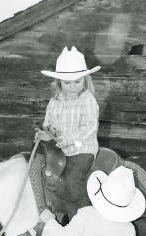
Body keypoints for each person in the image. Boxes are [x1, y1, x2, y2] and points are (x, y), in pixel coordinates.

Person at [35, 46, 101, 207]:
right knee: (45, 176)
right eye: (67, 82)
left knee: (71, 181)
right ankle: (57, 208)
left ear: (85, 80)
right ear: (59, 82)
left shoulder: (87, 99)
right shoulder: (55, 101)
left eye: (77, 81)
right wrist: (46, 134)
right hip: (60, 151)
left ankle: (85, 213)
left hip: (82, 149)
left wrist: (67, 139)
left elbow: (90, 126)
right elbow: (49, 123)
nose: (72, 86)